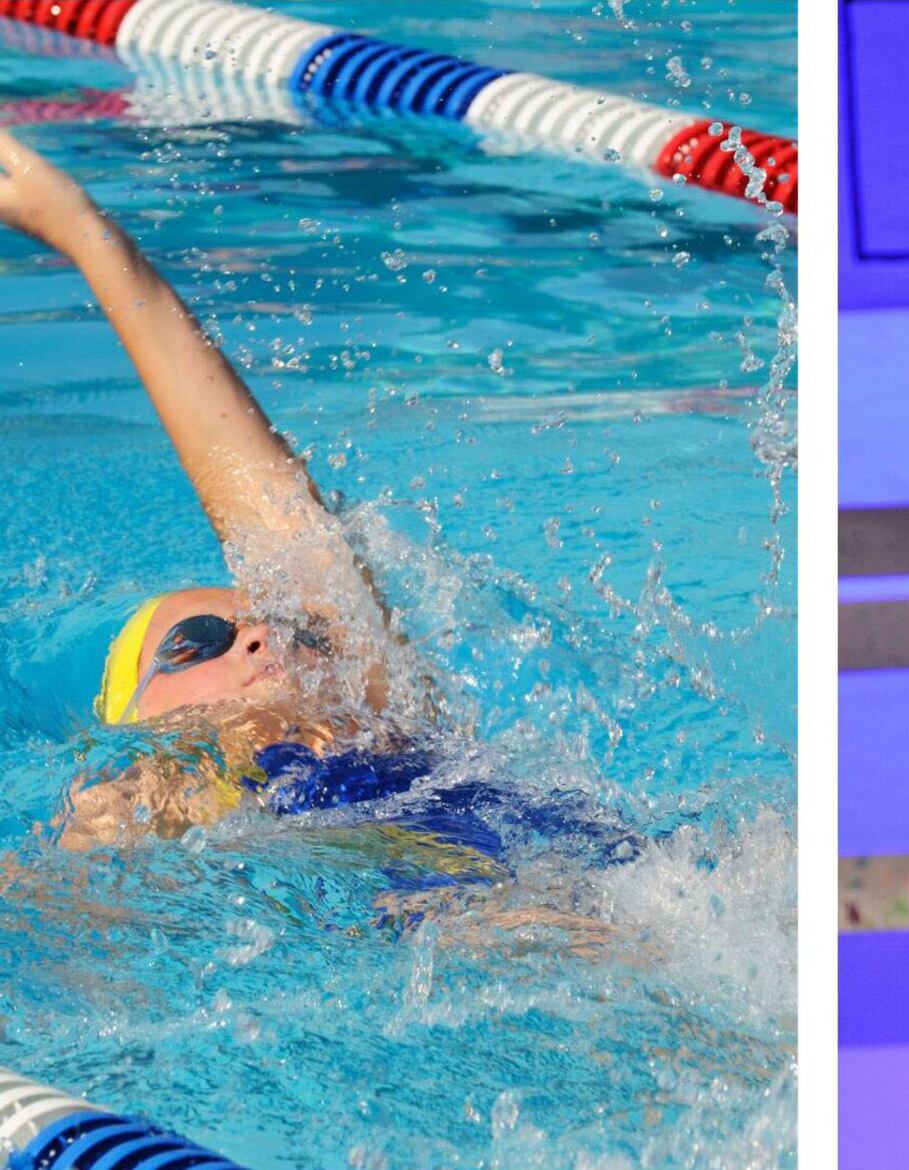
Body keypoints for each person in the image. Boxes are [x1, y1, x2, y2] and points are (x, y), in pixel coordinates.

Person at [0, 127, 636, 937]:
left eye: (298, 627)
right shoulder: (151, 801)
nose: (262, 634)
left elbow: (266, 506)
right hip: (509, 936)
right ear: (131, 717)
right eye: (198, 640)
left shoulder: (396, 727)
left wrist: (94, 242)